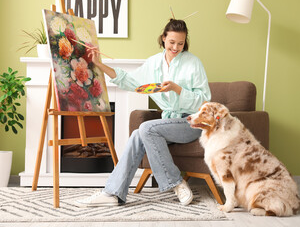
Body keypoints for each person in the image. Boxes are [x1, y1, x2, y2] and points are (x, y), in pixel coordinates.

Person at [75, 18, 211, 207]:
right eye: (172, 42)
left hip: (192, 122)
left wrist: (177, 89)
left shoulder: (193, 63)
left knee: (146, 128)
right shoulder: (154, 63)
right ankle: (112, 193)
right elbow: (129, 81)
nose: (175, 47)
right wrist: (99, 64)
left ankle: (176, 182)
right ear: (164, 38)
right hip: (168, 122)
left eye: (180, 43)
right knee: (139, 134)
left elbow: (205, 101)